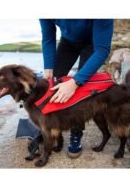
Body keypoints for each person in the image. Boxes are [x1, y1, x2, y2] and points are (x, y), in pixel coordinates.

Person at [28, 19, 114, 159]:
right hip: (67, 42)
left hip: (93, 42)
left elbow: (102, 50)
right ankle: (53, 131)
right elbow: (48, 38)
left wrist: (75, 82)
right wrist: (48, 68)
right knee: (52, 83)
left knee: (81, 89)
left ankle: (76, 134)